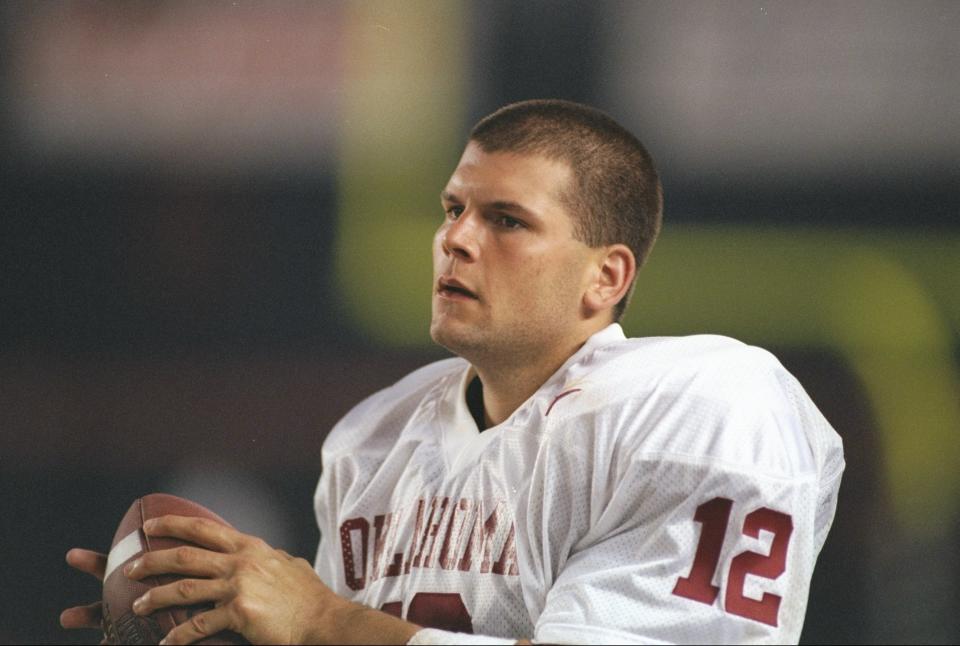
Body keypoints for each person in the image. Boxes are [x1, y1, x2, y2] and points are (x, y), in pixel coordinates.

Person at [61, 99, 844, 644]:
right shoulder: (375, 439)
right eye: (452, 209)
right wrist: (212, 618)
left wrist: (323, 621)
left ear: (605, 278)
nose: (457, 240)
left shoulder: (700, 408)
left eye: (507, 220)